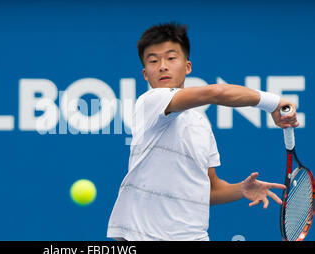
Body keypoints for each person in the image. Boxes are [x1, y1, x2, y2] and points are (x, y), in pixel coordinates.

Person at [106, 22, 299, 241]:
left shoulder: (200, 124)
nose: (162, 66)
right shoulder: (149, 102)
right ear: (145, 74)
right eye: (153, 60)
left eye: (171, 58)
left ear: (187, 66)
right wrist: (273, 103)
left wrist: (240, 189)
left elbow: (210, 189)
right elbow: (217, 92)